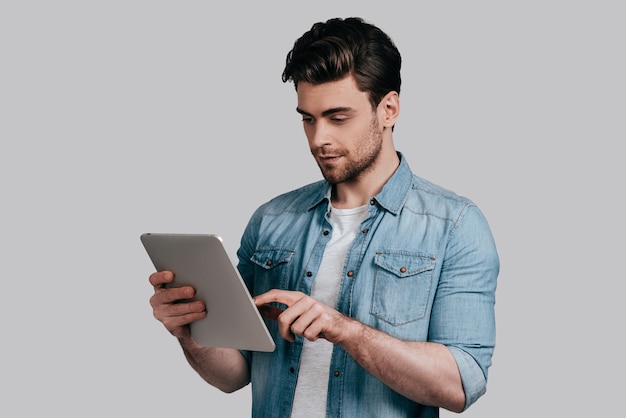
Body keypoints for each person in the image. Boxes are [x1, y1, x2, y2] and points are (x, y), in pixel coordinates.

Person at [149, 16, 499, 418]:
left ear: (388, 109)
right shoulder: (271, 220)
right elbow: (234, 374)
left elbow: (460, 384)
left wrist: (344, 330)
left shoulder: (454, 226)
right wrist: (190, 332)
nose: (319, 140)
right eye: (308, 118)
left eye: (338, 118)